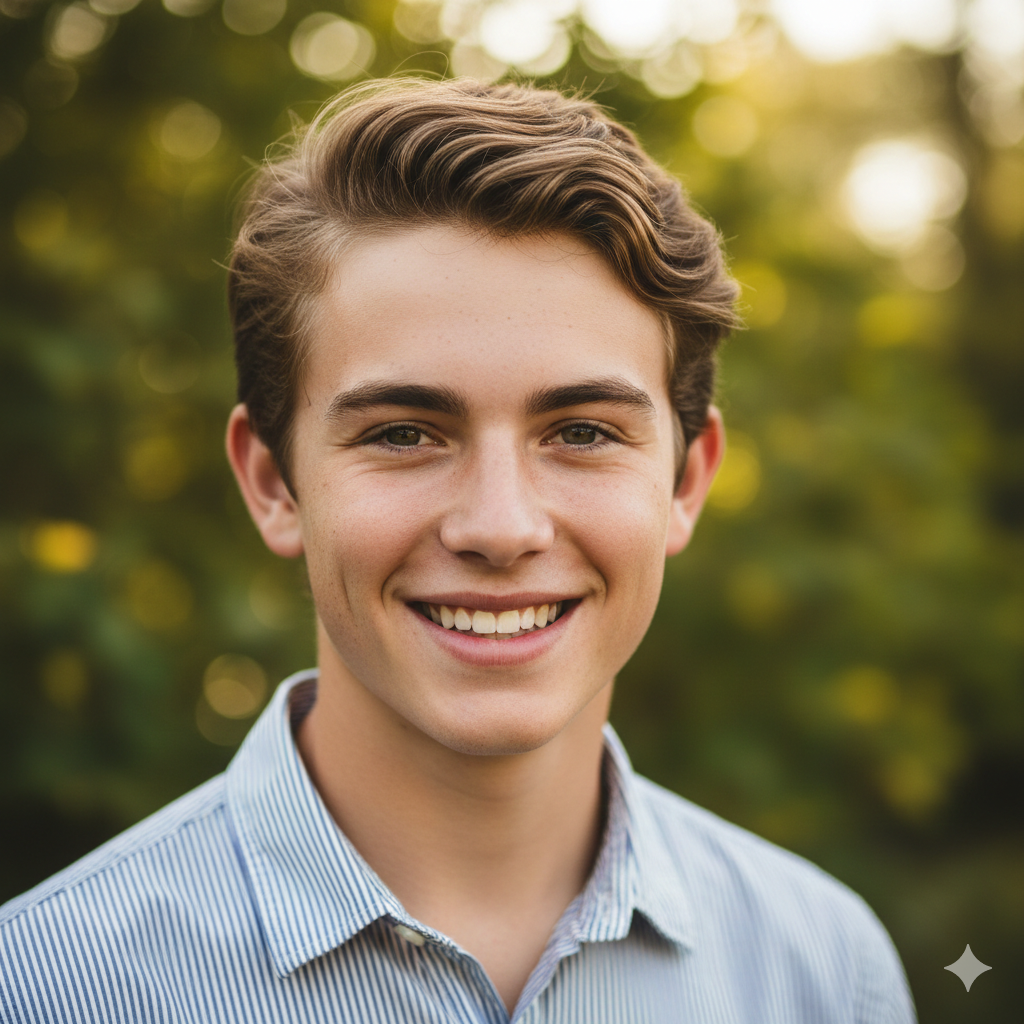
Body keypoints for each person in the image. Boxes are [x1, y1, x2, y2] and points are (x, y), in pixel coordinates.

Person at [0, 77, 916, 1022]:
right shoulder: (39, 990)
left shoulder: (824, 968)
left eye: (584, 432)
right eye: (404, 433)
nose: (501, 527)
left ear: (686, 482)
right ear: (274, 482)